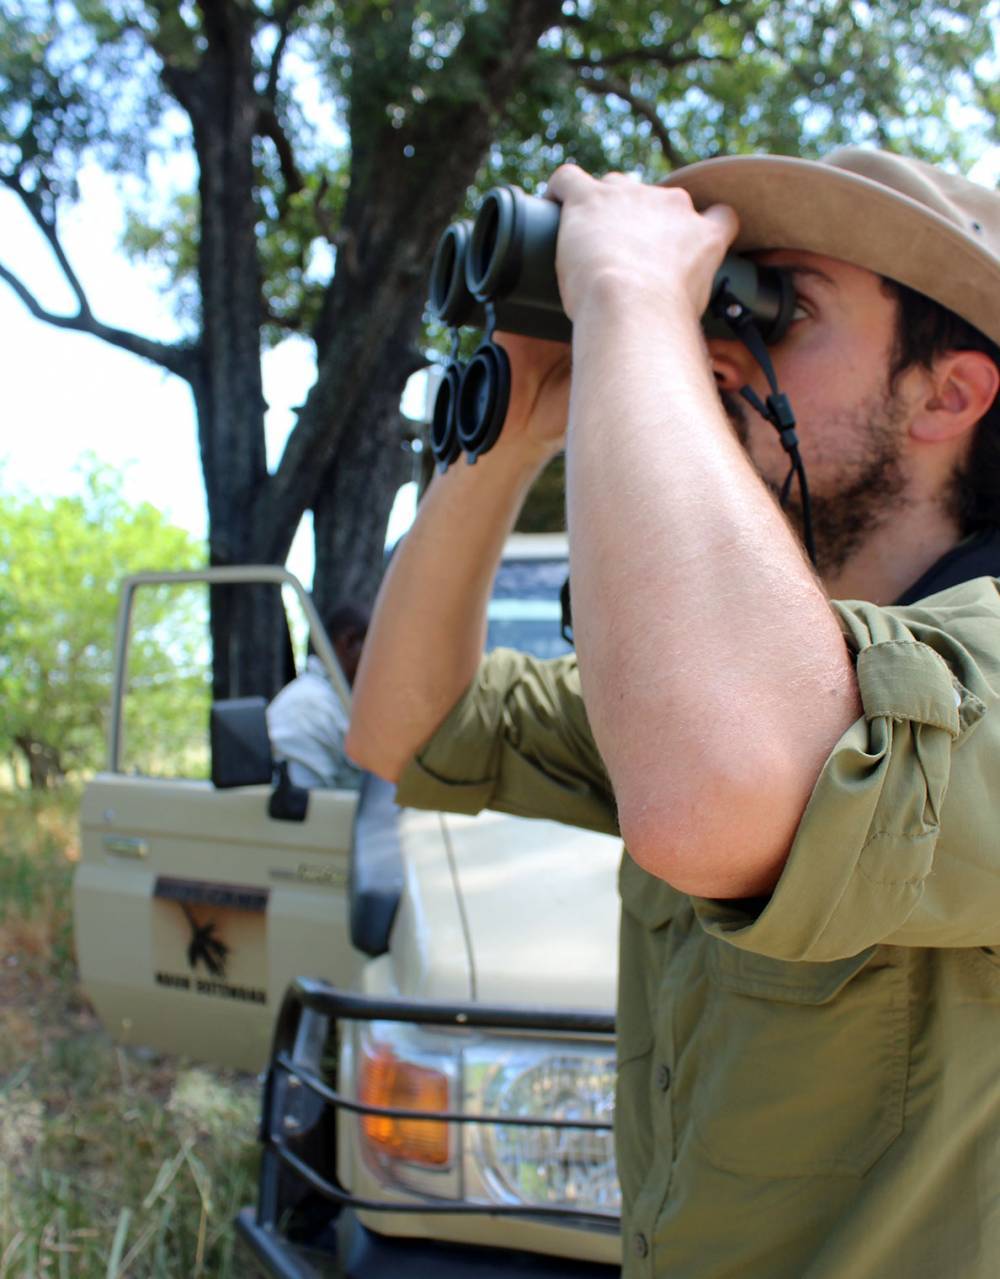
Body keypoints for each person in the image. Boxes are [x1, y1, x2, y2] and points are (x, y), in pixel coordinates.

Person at [345, 148, 1000, 1277]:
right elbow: (410, 728)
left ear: (945, 392)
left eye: (776, 307)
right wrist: (510, 438)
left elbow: (731, 788)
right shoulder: (729, 675)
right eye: (715, 299)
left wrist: (635, 303)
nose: (710, 341)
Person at [267, 601, 368, 790]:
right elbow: (304, 807)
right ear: (349, 642)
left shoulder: (335, 703)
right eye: (376, 650)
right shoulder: (307, 706)